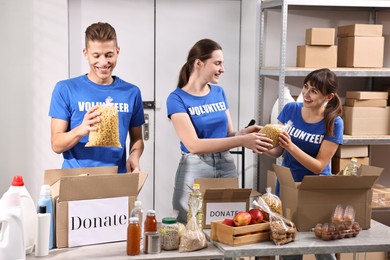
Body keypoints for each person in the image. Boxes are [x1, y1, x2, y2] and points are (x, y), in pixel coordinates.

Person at [166, 38, 274, 223]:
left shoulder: (218, 93)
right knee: (191, 225)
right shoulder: (176, 99)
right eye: (217, 63)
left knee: (230, 223)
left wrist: (244, 134)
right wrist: (240, 141)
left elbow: (228, 134)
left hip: (226, 165)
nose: (222, 69)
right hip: (195, 168)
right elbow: (193, 145)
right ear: (199, 63)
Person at [265, 68, 343, 260]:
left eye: (314, 91)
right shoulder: (290, 110)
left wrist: (291, 146)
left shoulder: (334, 122)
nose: (306, 95)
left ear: (329, 96)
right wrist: (260, 145)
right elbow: (277, 151)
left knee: (323, 249)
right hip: (287, 186)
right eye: (305, 87)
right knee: (290, 246)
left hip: (316, 190)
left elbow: (318, 165)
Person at [49, 22, 145, 173]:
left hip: (116, 178)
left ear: (117, 52)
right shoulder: (65, 89)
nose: (103, 62)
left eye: (109, 55)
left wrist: (134, 156)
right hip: (76, 179)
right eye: (96, 56)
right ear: (85, 53)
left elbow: (137, 139)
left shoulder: (131, 92)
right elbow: (56, 144)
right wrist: (80, 130)